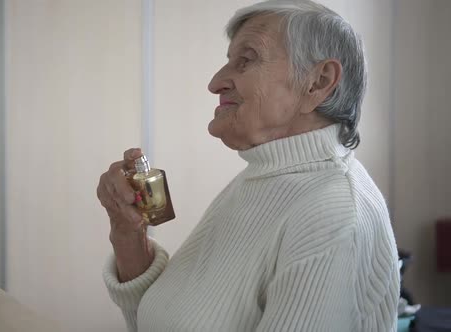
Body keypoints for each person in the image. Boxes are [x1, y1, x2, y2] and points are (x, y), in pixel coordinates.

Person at [96, 0, 400, 331]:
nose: (215, 83)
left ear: (318, 82)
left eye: (246, 60)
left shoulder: (333, 216)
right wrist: (128, 233)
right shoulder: (259, 180)